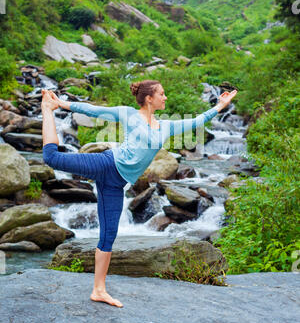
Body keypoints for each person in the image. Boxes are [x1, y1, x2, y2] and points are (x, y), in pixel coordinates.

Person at [41, 80, 237, 307]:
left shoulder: (165, 126)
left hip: (116, 184)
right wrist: (60, 104)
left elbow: (197, 121)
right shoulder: (128, 114)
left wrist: (220, 106)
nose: (165, 97)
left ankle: (99, 290)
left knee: (109, 235)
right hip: (106, 165)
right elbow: (94, 110)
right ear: (149, 98)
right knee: (51, 158)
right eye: (162, 94)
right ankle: (47, 109)